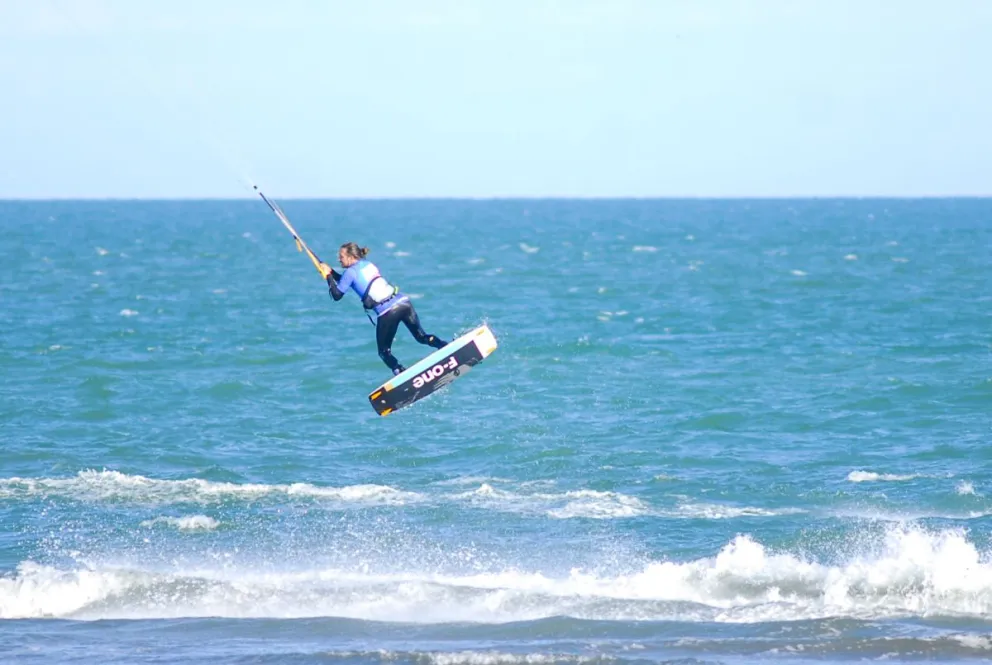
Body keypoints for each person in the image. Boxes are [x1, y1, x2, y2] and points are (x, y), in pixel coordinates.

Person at [320, 242, 448, 375]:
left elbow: (337, 295)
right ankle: (443, 345)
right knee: (421, 337)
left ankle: (400, 372)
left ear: (351, 257)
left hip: (388, 312)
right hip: (403, 303)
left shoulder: (350, 272)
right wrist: (331, 272)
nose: (338, 259)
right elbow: (348, 282)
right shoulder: (368, 264)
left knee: (383, 352)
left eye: (341, 256)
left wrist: (328, 276)